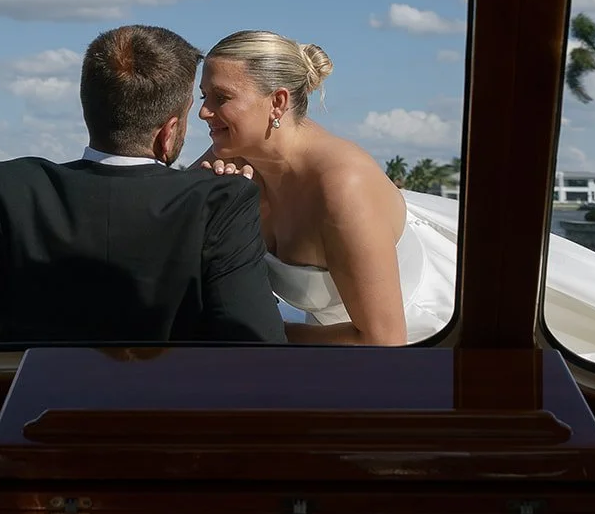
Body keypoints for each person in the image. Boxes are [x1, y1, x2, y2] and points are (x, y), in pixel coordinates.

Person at [0, 25, 285, 346]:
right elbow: (256, 344)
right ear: (169, 132)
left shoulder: (8, 188)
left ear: (88, 107)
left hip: (36, 421)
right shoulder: (222, 200)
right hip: (168, 425)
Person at [194, 30, 457, 345]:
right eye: (203, 96)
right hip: (323, 341)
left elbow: (384, 341)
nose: (203, 112)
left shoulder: (344, 187)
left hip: (418, 342)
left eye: (220, 98)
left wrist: (260, 335)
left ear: (277, 102)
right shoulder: (232, 153)